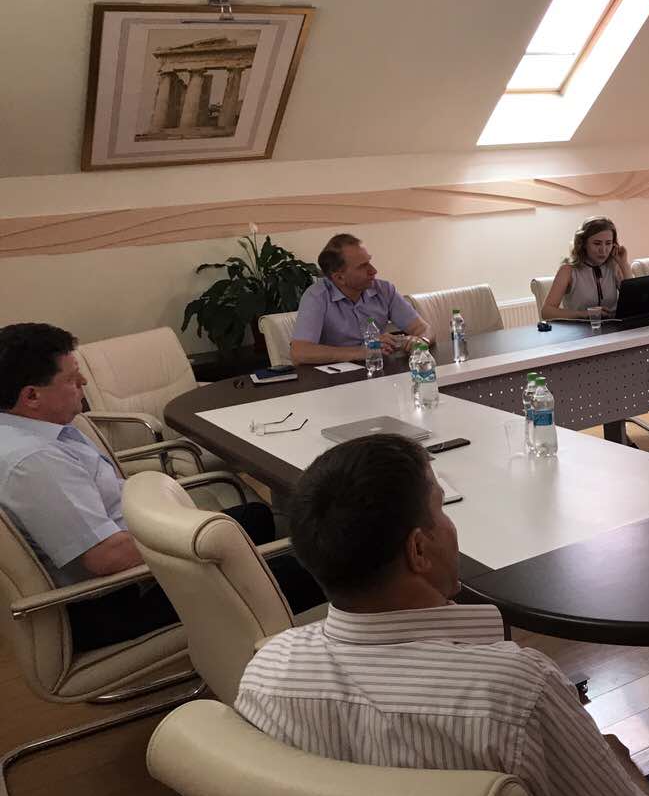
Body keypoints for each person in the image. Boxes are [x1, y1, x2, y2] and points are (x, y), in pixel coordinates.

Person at [236, 434, 649, 796]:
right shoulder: (514, 691)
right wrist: (621, 762)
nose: (452, 526)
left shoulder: (265, 674)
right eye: (442, 508)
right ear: (419, 550)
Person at [0, 323, 323, 652]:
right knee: (310, 568)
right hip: (121, 596)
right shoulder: (35, 463)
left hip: (135, 552)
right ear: (31, 396)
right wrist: (196, 540)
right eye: (71, 378)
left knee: (257, 516)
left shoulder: (36, 430)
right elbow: (106, 558)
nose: (83, 382)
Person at [290, 233, 430, 365]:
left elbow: (423, 329)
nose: (373, 271)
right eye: (363, 266)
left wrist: (420, 340)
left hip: (378, 368)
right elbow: (299, 353)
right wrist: (361, 352)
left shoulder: (384, 289)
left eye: (369, 261)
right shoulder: (316, 297)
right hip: (335, 377)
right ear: (339, 277)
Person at [541, 216, 633, 322]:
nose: (603, 250)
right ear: (583, 244)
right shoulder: (567, 270)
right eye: (597, 243)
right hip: (580, 329)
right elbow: (547, 312)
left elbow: (634, 301)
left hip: (614, 328)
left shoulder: (614, 266)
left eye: (608, 243)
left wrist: (624, 264)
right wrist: (584, 314)